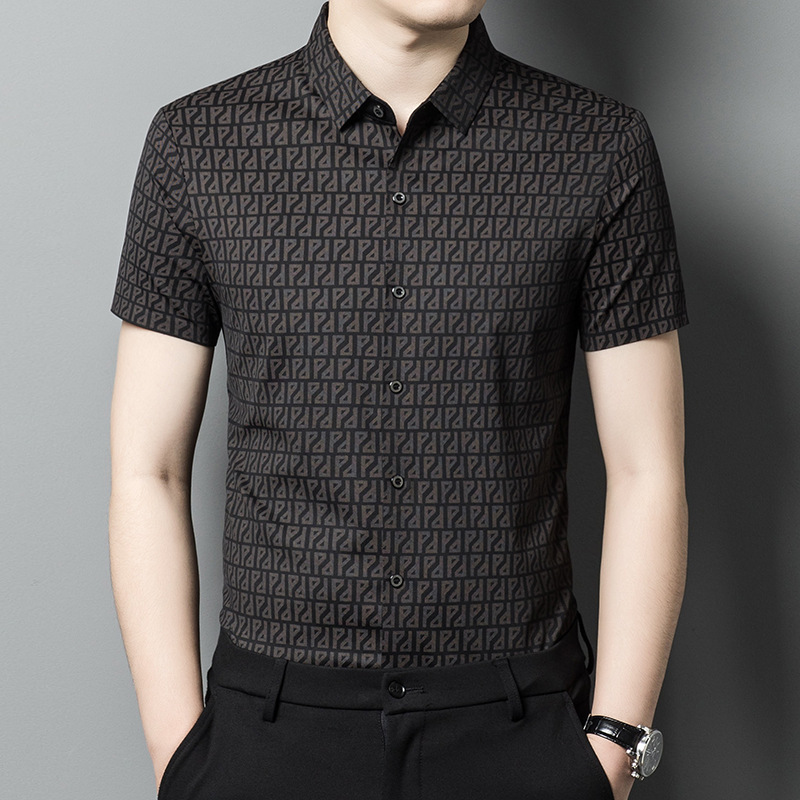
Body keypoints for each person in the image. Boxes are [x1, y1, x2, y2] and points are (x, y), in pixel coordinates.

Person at [108, 1, 689, 798]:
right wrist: (181, 754)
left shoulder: (598, 147)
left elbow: (648, 469)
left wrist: (614, 746)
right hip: (268, 736)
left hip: (520, 726)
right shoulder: (199, 144)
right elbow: (148, 469)